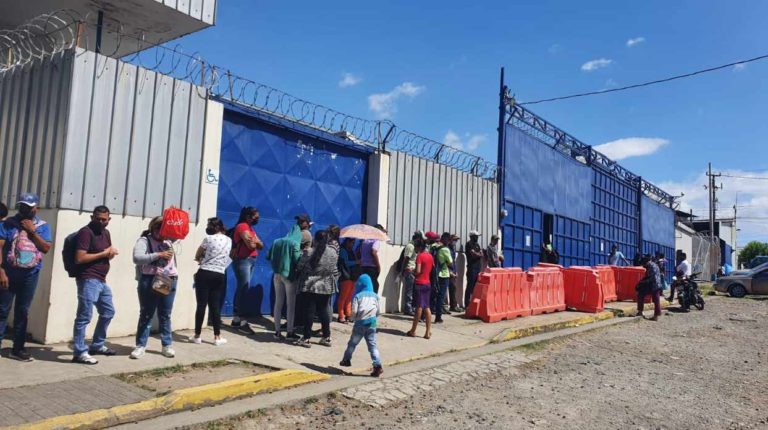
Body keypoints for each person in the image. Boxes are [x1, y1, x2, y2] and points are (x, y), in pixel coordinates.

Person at [0, 193, 52, 362]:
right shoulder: (8, 224)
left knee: (22, 312)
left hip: (30, 275)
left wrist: (32, 231)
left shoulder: (43, 226)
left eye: (29, 207)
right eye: (22, 206)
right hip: (8, 273)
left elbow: (45, 248)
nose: (25, 210)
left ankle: (18, 348)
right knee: (2, 310)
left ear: (36, 208)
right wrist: (1, 271)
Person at [72, 206, 118, 365]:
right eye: (97, 218)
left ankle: (97, 345)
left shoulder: (106, 233)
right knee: (84, 316)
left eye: (104, 219)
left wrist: (109, 255)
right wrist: (104, 253)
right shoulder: (86, 232)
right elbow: (80, 258)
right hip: (88, 279)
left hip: (101, 280)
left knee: (108, 312)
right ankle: (79, 352)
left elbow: (104, 256)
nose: (100, 221)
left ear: (108, 220)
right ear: (92, 217)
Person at [130, 217, 178, 359]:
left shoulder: (168, 240)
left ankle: (167, 345)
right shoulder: (144, 240)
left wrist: (175, 217)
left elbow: (181, 231)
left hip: (168, 278)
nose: (163, 235)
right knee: (146, 313)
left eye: (166, 231)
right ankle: (140, 346)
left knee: (165, 314)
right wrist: (159, 254)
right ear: (154, 229)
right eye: (161, 231)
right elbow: (137, 258)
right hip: (150, 279)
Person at [295, 230, 339, 348]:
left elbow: (300, 267)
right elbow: (335, 271)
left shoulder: (309, 252)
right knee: (323, 311)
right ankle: (326, 337)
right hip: (326, 286)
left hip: (310, 285)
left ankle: (306, 338)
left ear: (315, 239)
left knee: (309, 311)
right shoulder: (333, 253)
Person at [192, 217, 232, 346]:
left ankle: (197, 336)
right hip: (219, 274)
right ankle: (217, 337)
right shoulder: (229, 240)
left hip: (205, 273)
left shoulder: (208, 239)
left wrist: (199, 259)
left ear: (215, 227)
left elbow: (198, 253)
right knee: (214, 306)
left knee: (201, 305)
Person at [339, 274, 383, 377]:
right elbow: (378, 311)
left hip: (360, 322)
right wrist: (374, 319)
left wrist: (352, 318)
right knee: (372, 345)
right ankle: (378, 365)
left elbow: (354, 311)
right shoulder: (375, 295)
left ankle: (346, 360)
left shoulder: (358, 296)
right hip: (372, 322)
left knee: (352, 343)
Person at [230, 206, 263, 334]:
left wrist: (256, 242)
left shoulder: (250, 229)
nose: (257, 218)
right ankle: (241, 320)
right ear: (248, 216)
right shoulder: (242, 226)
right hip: (243, 260)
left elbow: (261, 245)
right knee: (243, 288)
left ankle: (236, 320)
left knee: (243, 288)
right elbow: (251, 245)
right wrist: (255, 241)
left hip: (251, 260)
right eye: (255, 216)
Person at [267, 224, 303, 340]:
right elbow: (297, 260)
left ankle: (277, 332)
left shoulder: (277, 241)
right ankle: (290, 332)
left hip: (277, 274)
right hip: (290, 276)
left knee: (278, 303)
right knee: (290, 305)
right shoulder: (295, 243)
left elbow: (268, 256)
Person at [407, 239, 433, 339]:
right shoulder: (430, 256)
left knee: (419, 307)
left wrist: (412, 271)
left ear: (419, 247)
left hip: (419, 283)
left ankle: (413, 330)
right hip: (427, 283)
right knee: (427, 307)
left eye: (416, 248)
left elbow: (418, 271)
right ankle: (427, 332)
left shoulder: (420, 256)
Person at [431, 232, 454, 324]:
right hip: (443, 275)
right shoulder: (445, 249)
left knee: (433, 295)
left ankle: (424, 315)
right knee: (441, 296)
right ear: (446, 240)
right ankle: (438, 317)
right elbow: (451, 264)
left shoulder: (434, 247)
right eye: (449, 240)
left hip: (435, 274)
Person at [401, 231, 424, 316]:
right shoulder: (410, 246)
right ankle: (408, 308)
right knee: (409, 291)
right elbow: (406, 258)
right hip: (409, 270)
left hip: (412, 270)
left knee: (412, 290)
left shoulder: (414, 245)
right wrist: (402, 270)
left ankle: (410, 307)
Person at [358, 224, 385, 294]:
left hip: (363, 267)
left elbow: (358, 252)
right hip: (371, 268)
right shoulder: (376, 241)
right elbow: (373, 252)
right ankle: (372, 303)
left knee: (364, 285)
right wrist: (378, 266)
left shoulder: (365, 241)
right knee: (374, 286)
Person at [337, 238, 359, 323]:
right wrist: (356, 262)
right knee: (343, 297)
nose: (352, 244)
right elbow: (345, 263)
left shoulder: (351, 251)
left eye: (353, 243)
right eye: (352, 242)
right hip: (345, 276)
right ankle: (341, 315)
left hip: (352, 276)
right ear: (347, 242)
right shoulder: (343, 250)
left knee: (349, 297)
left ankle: (348, 314)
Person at [636, 254, 663, 321]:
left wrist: (642, 283)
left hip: (654, 285)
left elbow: (651, 278)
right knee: (656, 300)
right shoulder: (653, 265)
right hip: (656, 284)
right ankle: (655, 315)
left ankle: (641, 312)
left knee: (641, 294)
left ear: (646, 262)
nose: (643, 266)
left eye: (643, 264)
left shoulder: (651, 266)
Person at [464, 230, 483, 308]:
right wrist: (478, 254)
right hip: (472, 267)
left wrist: (477, 254)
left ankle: (473, 303)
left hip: (478, 267)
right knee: (470, 286)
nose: (477, 238)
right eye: (476, 236)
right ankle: (467, 304)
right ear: (472, 236)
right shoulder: (469, 244)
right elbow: (473, 254)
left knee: (475, 286)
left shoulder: (477, 245)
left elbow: (481, 254)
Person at [446, 234, 462, 313]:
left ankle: (453, 305)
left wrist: (455, 271)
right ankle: (452, 306)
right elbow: (447, 261)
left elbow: (453, 261)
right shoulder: (447, 248)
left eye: (457, 240)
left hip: (453, 271)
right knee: (450, 288)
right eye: (454, 240)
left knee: (453, 288)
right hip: (448, 271)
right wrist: (450, 271)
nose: (456, 242)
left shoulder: (452, 248)